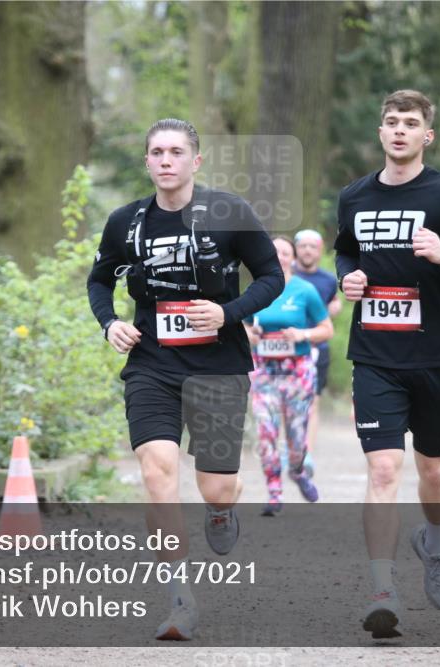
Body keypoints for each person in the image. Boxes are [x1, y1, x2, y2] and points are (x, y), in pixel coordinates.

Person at [87, 118, 284, 641]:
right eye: (157, 152)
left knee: (216, 486)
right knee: (157, 473)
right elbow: (100, 279)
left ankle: (221, 511)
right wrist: (111, 324)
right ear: (147, 162)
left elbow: (272, 276)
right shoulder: (125, 222)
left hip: (218, 362)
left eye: (177, 151)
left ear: (195, 161)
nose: (166, 160)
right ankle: (179, 600)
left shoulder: (229, 213)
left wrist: (229, 313)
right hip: (152, 362)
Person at [334, 90, 440, 638]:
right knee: (384, 470)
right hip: (374, 356)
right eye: (391, 122)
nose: (400, 130)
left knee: (432, 469)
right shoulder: (354, 197)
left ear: (427, 135)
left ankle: (434, 546)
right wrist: (350, 276)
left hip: (436, 356)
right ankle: (383, 591)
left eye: (411, 123)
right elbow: (346, 248)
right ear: (380, 132)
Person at [244, 235, 334, 516]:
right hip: (264, 373)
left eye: (285, 252)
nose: (279, 256)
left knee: (296, 439)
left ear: (291, 258)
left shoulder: (304, 290)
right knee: (266, 432)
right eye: (273, 252)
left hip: (298, 372)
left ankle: (297, 471)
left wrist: (303, 334)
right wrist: (252, 335)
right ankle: (273, 492)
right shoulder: (255, 290)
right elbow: (241, 327)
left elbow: (326, 329)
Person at [293, 228, 343, 474]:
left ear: (320, 250)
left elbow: (334, 301)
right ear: (296, 249)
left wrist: (335, 307)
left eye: (312, 246)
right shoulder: (285, 275)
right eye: (303, 246)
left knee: (312, 402)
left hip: (316, 348)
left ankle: (307, 455)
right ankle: (290, 449)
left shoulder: (327, 280)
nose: (307, 251)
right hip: (285, 348)